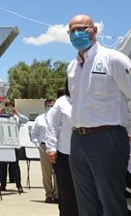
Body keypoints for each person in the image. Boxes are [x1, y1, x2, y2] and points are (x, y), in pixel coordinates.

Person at [66, 14, 131, 216]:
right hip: (77, 139)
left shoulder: (114, 59)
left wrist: (122, 128)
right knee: (85, 203)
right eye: (72, 31)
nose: (76, 34)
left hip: (107, 138)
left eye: (81, 29)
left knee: (111, 201)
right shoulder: (72, 67)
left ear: (94, 30)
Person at [46, 83, 79, 216]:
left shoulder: (90, 98)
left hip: (90, 153)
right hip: (66, 155)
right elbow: (51, 124)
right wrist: (51, 147)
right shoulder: (62, 102)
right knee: (67, 194)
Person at [0, 101, 28, 192]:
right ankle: (2, 184)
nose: (9, 110)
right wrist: (0, 112)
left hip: (14, 144)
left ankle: (19, 185)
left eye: (11, 108)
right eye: (7, 108)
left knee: (15, 166)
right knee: (2, 166)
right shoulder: (1, 116)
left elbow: (26, 119)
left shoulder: (17, 118)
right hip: (3, 144)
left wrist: (17, 113)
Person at [31, 101, 58, 203]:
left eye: (52, 105)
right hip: (44, 147)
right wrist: (38, 145)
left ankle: (57, 195)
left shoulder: (58, 118)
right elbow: (34, 133)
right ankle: (49, 194)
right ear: (45, 106)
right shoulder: (39, 118)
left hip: (57, 147)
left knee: (56, 172)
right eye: (48, 105)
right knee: (46, 172)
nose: (50, 107)